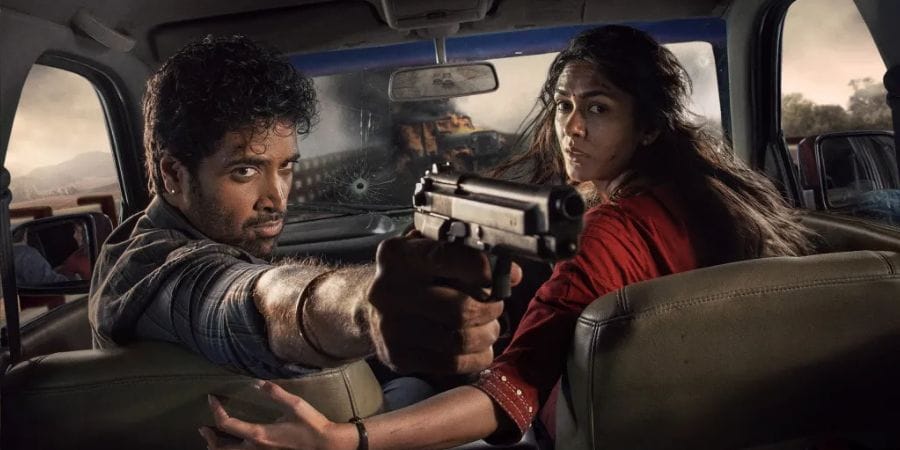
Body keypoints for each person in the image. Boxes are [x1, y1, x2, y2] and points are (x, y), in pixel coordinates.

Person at [201, 25, 814, 449]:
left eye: (597, 108)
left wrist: (343, 439)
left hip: (568, 432)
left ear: (648, 126)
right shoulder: (724, 201)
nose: (572, 128)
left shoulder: (607, 233)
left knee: (406, 386)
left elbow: (511, 393)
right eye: (564, 106)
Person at [88, 35, 513, 407]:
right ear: (173, 175)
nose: (276, 198)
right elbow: (244, 299)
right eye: (245, 171)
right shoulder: (148, 269)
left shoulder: (195, 238)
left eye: (286, 167)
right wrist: (367, 305)